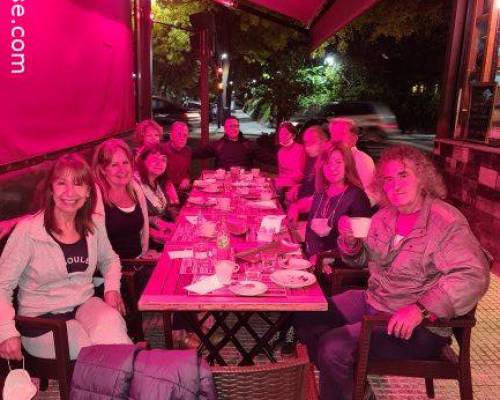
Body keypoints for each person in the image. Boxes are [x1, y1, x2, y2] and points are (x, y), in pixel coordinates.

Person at [294, 145, 490, 400]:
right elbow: (361, 260)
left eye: (403, 175)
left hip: (419, 327)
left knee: (333, 348)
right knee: (307, 315)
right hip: (377, 301)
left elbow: (473, 275)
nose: (394, 185)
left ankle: (344, 382)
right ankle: (356, 389)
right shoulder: (384, 217)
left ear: (423, 177)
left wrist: (420, 309)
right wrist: (351, 243)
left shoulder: (445, 222)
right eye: (387, 179)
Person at [0, 154, 131, 361]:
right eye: (62, 183)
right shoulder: (29, 231)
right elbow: (1, 285)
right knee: (93, 354)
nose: (70, 192)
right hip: (41, 321)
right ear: (51, 189)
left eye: (78, 184)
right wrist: (6, 331)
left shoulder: (93, 225)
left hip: (83, 304)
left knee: (113, 328)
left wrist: (112, 288)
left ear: (89, 191)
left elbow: (110, 259)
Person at [288, 143, 371, 262]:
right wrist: (313, 254)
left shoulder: (357, 197)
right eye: (327, 162)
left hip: (338, 266)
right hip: (313, 259)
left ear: (347, 165)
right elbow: (311, 231)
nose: (332, 168)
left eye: (338, 162)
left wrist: (325, 258)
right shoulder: (320, 192)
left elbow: (361, 248)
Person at [92, 139, 152, 260]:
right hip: (112, 273)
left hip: (139, 263)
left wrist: (145, 255)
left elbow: (142, 232)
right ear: (103, 170)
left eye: (125, 162)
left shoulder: (135, 189)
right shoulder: (95, 197)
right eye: (114, 165)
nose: (122, 169)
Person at [135, 145, 177, 249]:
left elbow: (163, 210)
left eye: (163, 159)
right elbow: (134, 222)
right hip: (147, 244)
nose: (160, 163)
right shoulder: (134, 185)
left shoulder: (157, 182)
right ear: (143, 161)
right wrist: (156, 233)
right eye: (154, 159)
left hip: (163, 233)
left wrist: (170, 223)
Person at [328, 118, 376, 204]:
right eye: (333, 134)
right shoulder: (328, 159)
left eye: (341, 133)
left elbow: (368, 195)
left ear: (354, 138)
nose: (336, 138)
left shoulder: (362, 159)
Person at [192, 117, 258, 169]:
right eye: (230, 126)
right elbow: (198, 152)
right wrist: (183, 149)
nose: (233, 128)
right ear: (225, 129)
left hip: (244, 182)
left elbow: (265, 156)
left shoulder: (248, 144)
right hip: (223, 181)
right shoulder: (218, 145)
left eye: (236, 126)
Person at [274, 122, 305, 202]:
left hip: (295, 185)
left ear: (293, 135)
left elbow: (299, 175)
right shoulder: (280, 152)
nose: (282, 136)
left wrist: (281, 181)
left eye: (286, 133)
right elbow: (281, 173)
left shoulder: (300, 149)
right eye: (281, 134)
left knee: (277, 187)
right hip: (282, 183)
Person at [163, 121, 192, 194]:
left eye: (185, 135)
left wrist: (186, 179)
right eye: (179, 134)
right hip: (166, 193)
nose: (182, 138)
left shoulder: (187, 151)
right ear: (171, 136)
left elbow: (187, 171)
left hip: (183, 191)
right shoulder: (161, 151)